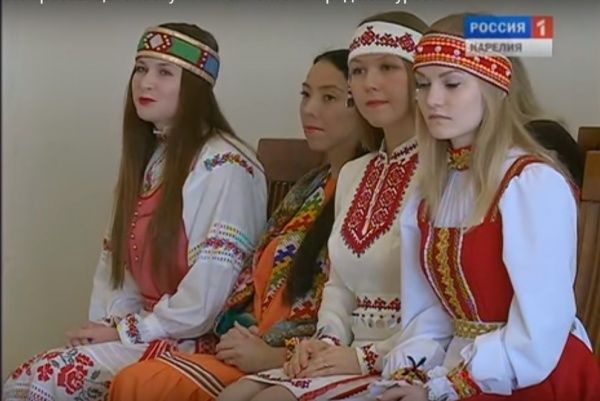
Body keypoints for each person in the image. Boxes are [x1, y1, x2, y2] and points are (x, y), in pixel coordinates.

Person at [3, 22, 267, 401]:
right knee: (27, 378)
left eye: (164, 72)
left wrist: (126, 332)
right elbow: (117, 275)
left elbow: (207, 297)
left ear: (196, 87)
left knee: (49, 379)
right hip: (147, 331)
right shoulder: (152, 160)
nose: (145, 82)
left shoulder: (225, 164)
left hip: (199, 341)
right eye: (141, 68)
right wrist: (112, 325)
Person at [106, 48, 378, 401]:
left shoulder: (370, 193)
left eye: (329, 97)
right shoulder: (308, 188)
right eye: (305, 94)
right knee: (136, 379)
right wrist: (242, 333)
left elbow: (354, 308)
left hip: (298, 359)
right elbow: (251, 282)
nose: (310, 109)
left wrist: (275, 354)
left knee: (142, 382)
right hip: (248, 345)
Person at [375, 13, 600, 401]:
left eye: (452, 83)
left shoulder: (531, 183)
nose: (432, 100)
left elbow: (541, 328)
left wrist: (448, 388)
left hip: (530, 374)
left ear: (495, 88)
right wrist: (413, 371)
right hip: (461, 367)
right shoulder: (432, 189)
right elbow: (428, 313)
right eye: (423, 84)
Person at [217, 12, 436, 401]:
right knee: (234, 396)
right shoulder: (354, 173)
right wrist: (325, 340)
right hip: (347, 354)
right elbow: (339, 286)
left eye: (387, 67)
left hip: (410, 360)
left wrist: (362, 357)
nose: (370, 83)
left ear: (421, 78)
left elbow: (443, 308)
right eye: (358, 71)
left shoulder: (444, 174)